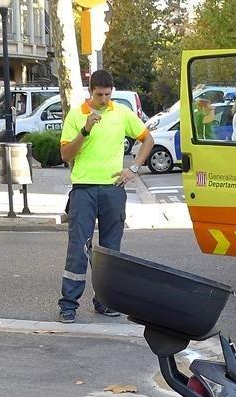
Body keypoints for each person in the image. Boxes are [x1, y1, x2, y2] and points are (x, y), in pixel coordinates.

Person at [56, 69, 155, 323]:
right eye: (99, 95)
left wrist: (133, 168)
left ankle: (105, 301)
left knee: (111, 251)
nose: (103, 99)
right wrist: (85, 131)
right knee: (78, 248)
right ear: (91, 91)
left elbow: (147, 139)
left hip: (113, 189)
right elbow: (66, 156)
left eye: (108, 94)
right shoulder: (77, 115)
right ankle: (68, 305)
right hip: (84, 189)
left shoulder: (121, 113)